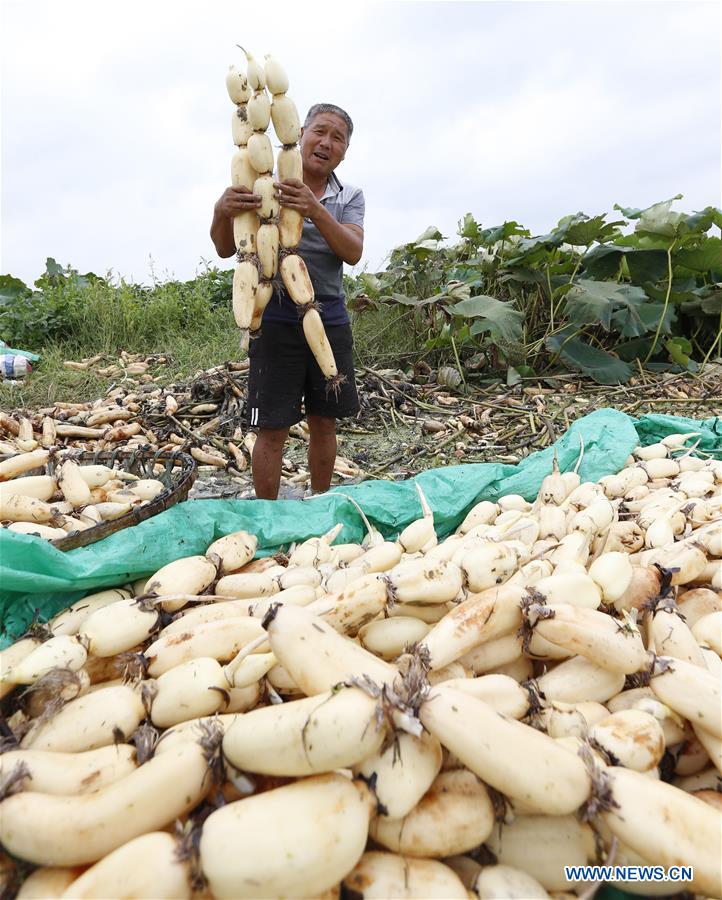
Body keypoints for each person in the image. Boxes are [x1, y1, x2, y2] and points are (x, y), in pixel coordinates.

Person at [211, 103, 364, 500]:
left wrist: (313, 209)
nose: (326, 143)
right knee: (272, 426)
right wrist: (220, 212)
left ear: (345, 151)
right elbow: (228, 249)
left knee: (324, 420)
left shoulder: (349, 196)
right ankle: (267, 513)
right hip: (274, 315)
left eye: (338, 138)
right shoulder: (264, 182)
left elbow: (352, 251)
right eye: (320, 131)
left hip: (328, 317)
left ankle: (319, 501)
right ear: (299, 131)